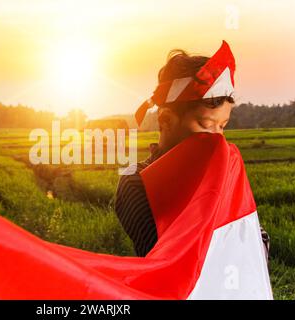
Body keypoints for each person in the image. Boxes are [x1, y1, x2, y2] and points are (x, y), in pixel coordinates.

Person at [115, 41, 270, 259]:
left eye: (222, 127)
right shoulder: (135, 181)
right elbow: (167, 259)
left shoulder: (224, 176)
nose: (217, 138)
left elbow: (256, 244)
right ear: (166, 120)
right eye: (206, 125)